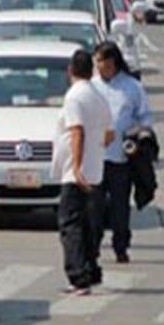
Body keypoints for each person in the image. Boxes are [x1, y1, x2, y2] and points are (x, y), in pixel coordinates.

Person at [53, 49, 113, 295]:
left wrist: (77, 166)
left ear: (70, 71)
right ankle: (90, 271)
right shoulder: (98, 96)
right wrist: (95, 153)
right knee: (89, 225)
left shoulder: (74, 97)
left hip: (75, 173)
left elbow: (77, 132)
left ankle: (78, 277)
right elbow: (110, 134)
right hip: (96, 170)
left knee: (71, 224)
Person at [92, 42, 152, 265]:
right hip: (95, 159)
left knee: (120, 207)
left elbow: (145, 118)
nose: (101, 68)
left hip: (121, 158)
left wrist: (136, 135)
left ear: (114, 63)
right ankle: (94, 246)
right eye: (97, 63)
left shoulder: (132, 87)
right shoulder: (91, 87)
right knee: (94, 207)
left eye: (104, 63)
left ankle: (121, 247)